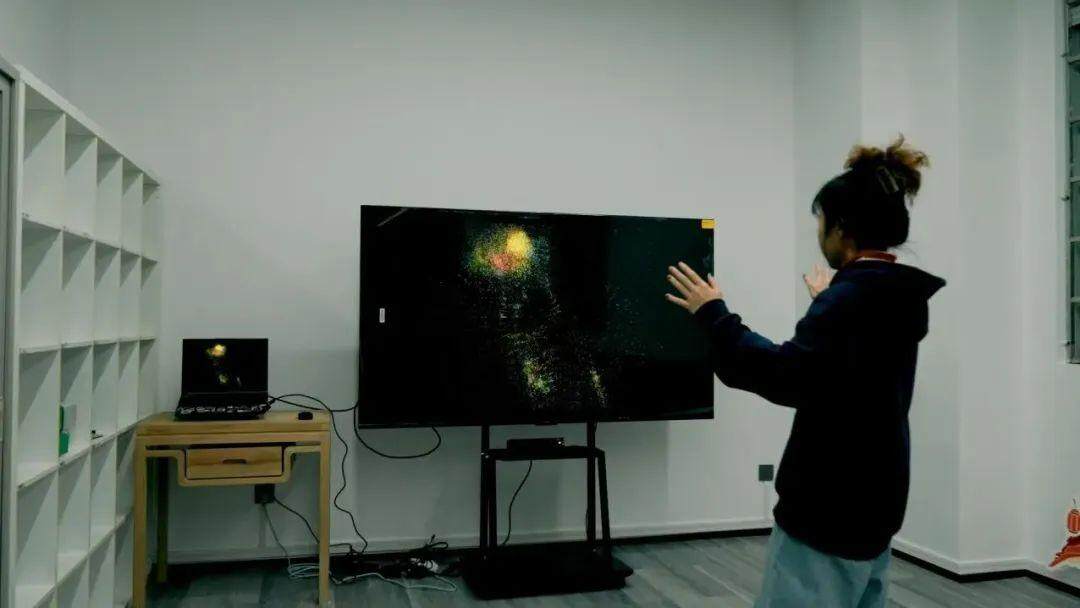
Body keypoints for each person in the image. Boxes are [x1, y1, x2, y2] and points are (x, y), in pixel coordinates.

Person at [665, 136, 944, 608]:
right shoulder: (898, 294)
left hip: (827, 507)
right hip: (876, 502)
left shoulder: (850, 300)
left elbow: (785, 375)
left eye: (821, 223)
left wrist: (714, 314)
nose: (819, 235)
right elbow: (851, 370)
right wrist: (827, 301)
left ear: (842, 229)